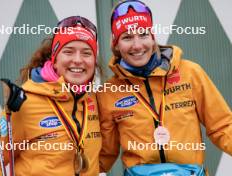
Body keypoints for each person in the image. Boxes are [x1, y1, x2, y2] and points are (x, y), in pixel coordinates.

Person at [97, 0, 232, 175]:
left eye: (143, 34)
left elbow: (222, 126)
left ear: (152, 37)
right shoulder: (109, 92)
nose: (137, 45)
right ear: (116, 44)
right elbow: (104, 154)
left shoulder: (190, 73)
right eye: (127, 37)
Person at [0, 16, 102, 176]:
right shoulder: (25, 102)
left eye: (86, 53)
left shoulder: (94, 101)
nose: (77, 60)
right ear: (55, 59)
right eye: (68, 52)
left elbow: (103, 157)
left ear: (93, 61)